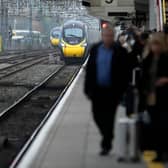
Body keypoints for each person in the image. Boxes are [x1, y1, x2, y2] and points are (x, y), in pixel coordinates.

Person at [84, 24, 130, 156]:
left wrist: (122, 89)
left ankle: (106, 143)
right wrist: (87, 89)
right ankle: (107, 134)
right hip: (97, 90)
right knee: (96, 115)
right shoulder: (95, 49)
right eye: (106, 36)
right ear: (102, 36)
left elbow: (125, 71)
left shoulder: (120, 51)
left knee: (109, 117)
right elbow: (90, 71)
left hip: (112, 91)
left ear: (114, 36)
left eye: (110, 36)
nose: (108, 38)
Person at [139, 32, 168, 162]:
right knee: (154, 125)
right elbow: (143, 77)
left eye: (157, 44)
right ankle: (158, 152)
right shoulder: (147, 59)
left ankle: (162, 152)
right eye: (153, 44)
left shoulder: (166, 58)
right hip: (150, 97)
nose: (154, 47)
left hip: (164, 97)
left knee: (163, 125)